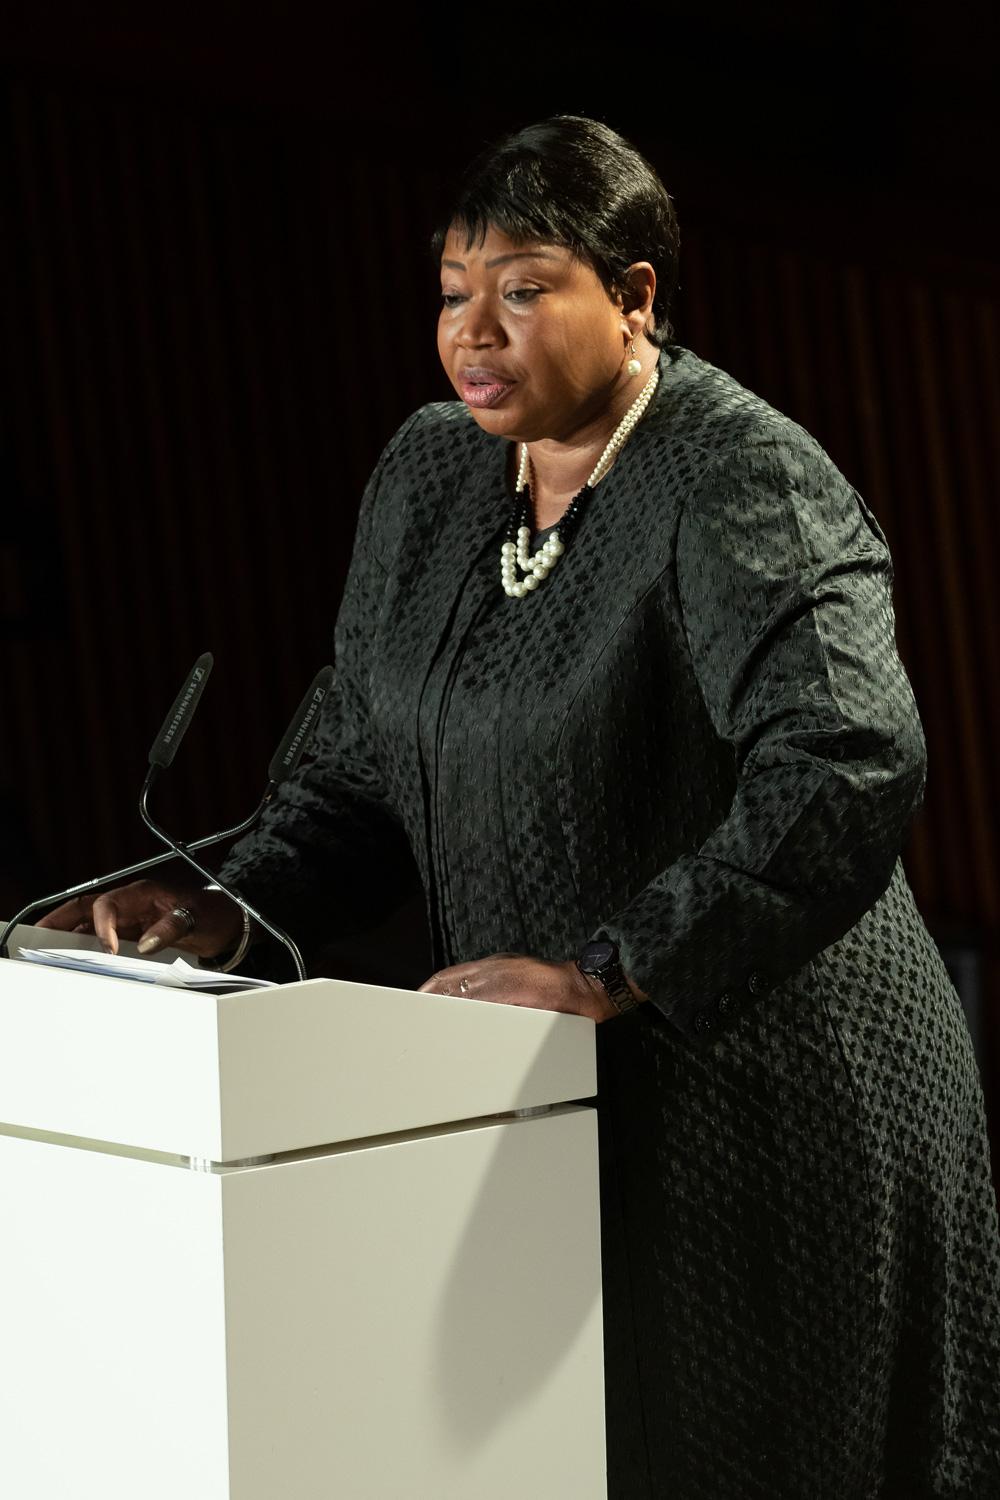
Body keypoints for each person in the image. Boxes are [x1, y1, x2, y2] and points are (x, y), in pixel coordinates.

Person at [40, 116, 1000, 1496]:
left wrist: (618, 970)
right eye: (451, 292)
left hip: (774, 1107)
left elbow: (846, 757)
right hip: (542, 1098)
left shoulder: (737, 474)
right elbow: (361, 766)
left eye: (526, 288)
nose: (473, 331)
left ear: (639, 298)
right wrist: (225, 906)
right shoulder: (432, 476)